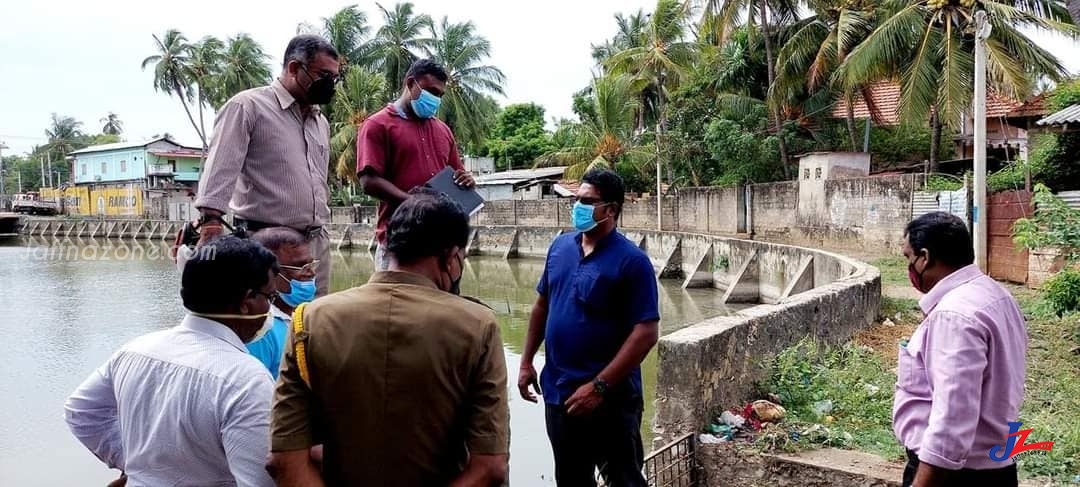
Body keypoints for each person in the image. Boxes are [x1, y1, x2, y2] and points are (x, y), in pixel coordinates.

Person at [268, 187, 509, 486]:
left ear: (387, 244)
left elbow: (284, 461)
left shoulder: (310, 319)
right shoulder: (477, 325)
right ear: (450, 257)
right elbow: (490, 468)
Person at [65, 236, 279, 487]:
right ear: (247, 302)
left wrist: (134, 466)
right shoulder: (246, 379)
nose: (270, 309)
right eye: (270, 297)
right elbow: (260, 481)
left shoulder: (135, 351)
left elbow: (81, 411)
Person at [518, 168, 660, 486]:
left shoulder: (631, 262)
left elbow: (646, 332)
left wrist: (599, 387)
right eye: (576, 199)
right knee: (571, 479)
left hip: (611, 399)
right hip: (559, 392)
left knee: (624, 478)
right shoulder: (560, 248)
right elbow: (543, 305)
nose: (577, 207)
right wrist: (527, 361)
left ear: (610, 209)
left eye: (587, 201)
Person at [194, 34, 341, 297]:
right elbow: (220, 168)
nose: (330, 84)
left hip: (316, 243)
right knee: (264, 317)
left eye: (334, 78)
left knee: (314, 319)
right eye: (323, 75)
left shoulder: (321, 122)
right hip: (267, 243)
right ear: (295, 68)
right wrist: (211, 224)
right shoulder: (248, 107)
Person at [894, 212, 1028, 487]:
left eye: (909, 258)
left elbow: (951, 422)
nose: (909, 267)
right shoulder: (995, 294)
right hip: (995, 464)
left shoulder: (954, 315)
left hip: (955, 474)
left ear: (925, 257)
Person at [356, 58, 476, 271]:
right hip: (399, 241)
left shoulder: (443, 131)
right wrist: (414, 202)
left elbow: (456, 173)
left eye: (440, 95)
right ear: (411, 84)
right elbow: (369, 181)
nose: (436, 99)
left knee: (440, 303)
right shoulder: (378, 125)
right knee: (395, 301)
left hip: (441, 244)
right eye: (431, 91)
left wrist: (466, 181)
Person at [247, 226, 317, 378]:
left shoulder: (305, 315)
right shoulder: (261, 329)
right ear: (269, 273)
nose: (311, 273)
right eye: (300, 266)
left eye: (311, 264)